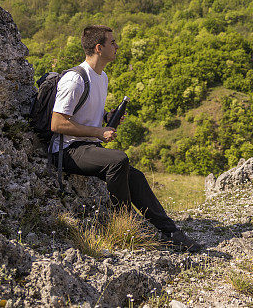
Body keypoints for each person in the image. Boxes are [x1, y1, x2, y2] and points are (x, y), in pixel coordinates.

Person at [50, 25, 202, 252]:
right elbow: (57, 123)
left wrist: (106, 117)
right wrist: (98, 132)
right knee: (118, 159)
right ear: (99, 48)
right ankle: (123, 224)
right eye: (113, 42)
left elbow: (85, 111)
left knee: (136, 177)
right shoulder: (75, 80)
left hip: (87, 146)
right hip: (66, 150)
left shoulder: (101, 77)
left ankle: (171, 232)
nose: (117, 46)